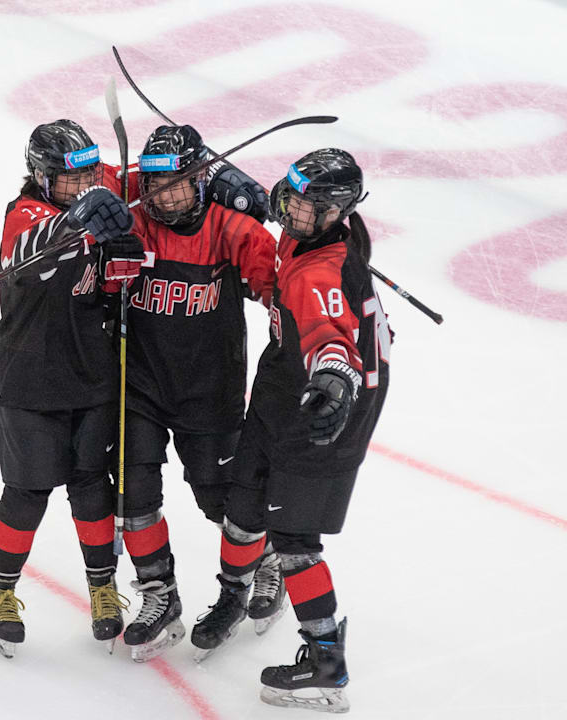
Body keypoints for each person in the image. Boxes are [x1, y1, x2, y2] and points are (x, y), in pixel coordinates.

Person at [218, 148, 392, 713]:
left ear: (334, 212)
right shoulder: (320, 234)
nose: (289, 211)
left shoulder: (320, 273)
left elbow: (330, 341)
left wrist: (333, 385)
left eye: (304, 204)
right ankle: (234, 595)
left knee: (294, 540)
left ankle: (327, 666)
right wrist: (226, 181)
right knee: (242, 503)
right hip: (283, 385)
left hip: (325, 407)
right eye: (288, 196)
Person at [0, 119, 145, 656]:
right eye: (70, 179)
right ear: (40, 176)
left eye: (88, 175)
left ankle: (102, 588)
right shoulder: (23, 215)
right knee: (26, 496)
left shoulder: (94, 197)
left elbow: (151, 187)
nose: (83, 186)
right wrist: (79, 224)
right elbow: (32, 257)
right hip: (28, 383)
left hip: (91, 377)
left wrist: (125, 248)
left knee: (93, 486)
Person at [116, 124, 278, 662]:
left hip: (210, 392)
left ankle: (267, 558)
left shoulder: (236, 230)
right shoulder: (133, 217)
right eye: (154, 187)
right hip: (141, 387)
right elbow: (94, 181)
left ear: (201, 179)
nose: (163, 198)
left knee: (220, 498)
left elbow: (284, 293)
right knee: (133, 495)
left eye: (176, 186)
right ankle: (160, 596)